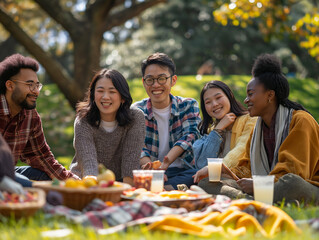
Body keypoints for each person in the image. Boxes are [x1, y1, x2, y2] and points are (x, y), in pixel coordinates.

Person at [198, 54, 319, 204]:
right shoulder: (258, 129)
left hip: (306, 186)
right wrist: (228, 173)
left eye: (251, 94)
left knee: (292, 183)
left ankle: (249, 200)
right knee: (206, 184)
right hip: (267, 186)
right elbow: (246, 168)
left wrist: (258, 184)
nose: (246, 100)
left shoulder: (300, 120)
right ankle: (251, 200)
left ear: (270, 95)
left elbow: (294, 172)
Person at [0, 53, 78, 181]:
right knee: (24, 184)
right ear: (10, 85)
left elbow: (42, 157)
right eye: (30, 84)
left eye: (37, 85)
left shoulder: (31, 116)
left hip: (6, 174)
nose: (36, 91)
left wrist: (74, 182)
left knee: (46, 176)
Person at [133, 52, 201, 189]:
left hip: (182, 171)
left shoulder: (188, 106)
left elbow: (190, 136)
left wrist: (165, 164)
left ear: (173, 80)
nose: (156, 85)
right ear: (143, 82)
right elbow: (137, 145)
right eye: (150, 79)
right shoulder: (136, 110)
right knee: (130, 176)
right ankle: (167, 189)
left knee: (196, 175)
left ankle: (162, 189)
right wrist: (152, 170)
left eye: (162, 78)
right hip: (148, 170)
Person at [69, 69, 145, 186]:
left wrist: (126, 196)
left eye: (112, 92)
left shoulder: (136, 118)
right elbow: (89, 164)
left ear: (123, 97)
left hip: (119, 183)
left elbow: (130, 165)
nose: (105, 97)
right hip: (86, 183)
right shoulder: (83, 120)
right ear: (93, 95)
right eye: (100, 91)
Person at [192, 81, 257, 183]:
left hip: (243, 180)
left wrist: (216, 168)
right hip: (218, 181)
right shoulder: (212, 130)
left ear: (229, 96)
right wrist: (218, 129)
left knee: (205, 186)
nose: (214, 104)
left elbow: (242, 148)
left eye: (218, 98)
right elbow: (202, 164)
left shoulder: (250, 119)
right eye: (208, 102)